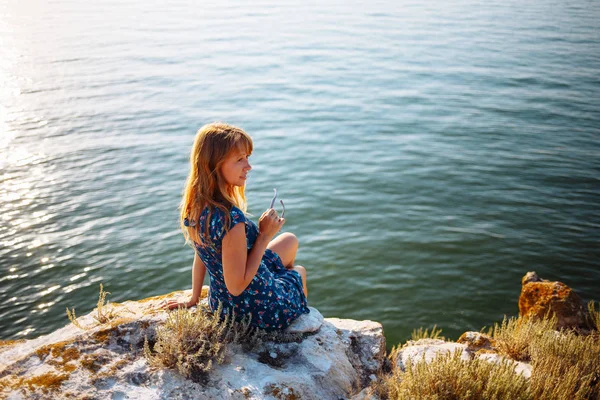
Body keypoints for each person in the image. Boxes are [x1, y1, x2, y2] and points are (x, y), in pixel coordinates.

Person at [163, 122, 310, 330]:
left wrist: (194, 297)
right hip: (255, 311)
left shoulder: (194, 206)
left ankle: (275, 280)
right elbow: (236, 286)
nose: (248, 166)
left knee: (289, 240)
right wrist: (264, 237)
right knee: (299, 271)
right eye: (240, 159)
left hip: (222, 305)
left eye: (247, 157)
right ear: (215, 164)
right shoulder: (230, 219)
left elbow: (201, 253)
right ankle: (297, 324)